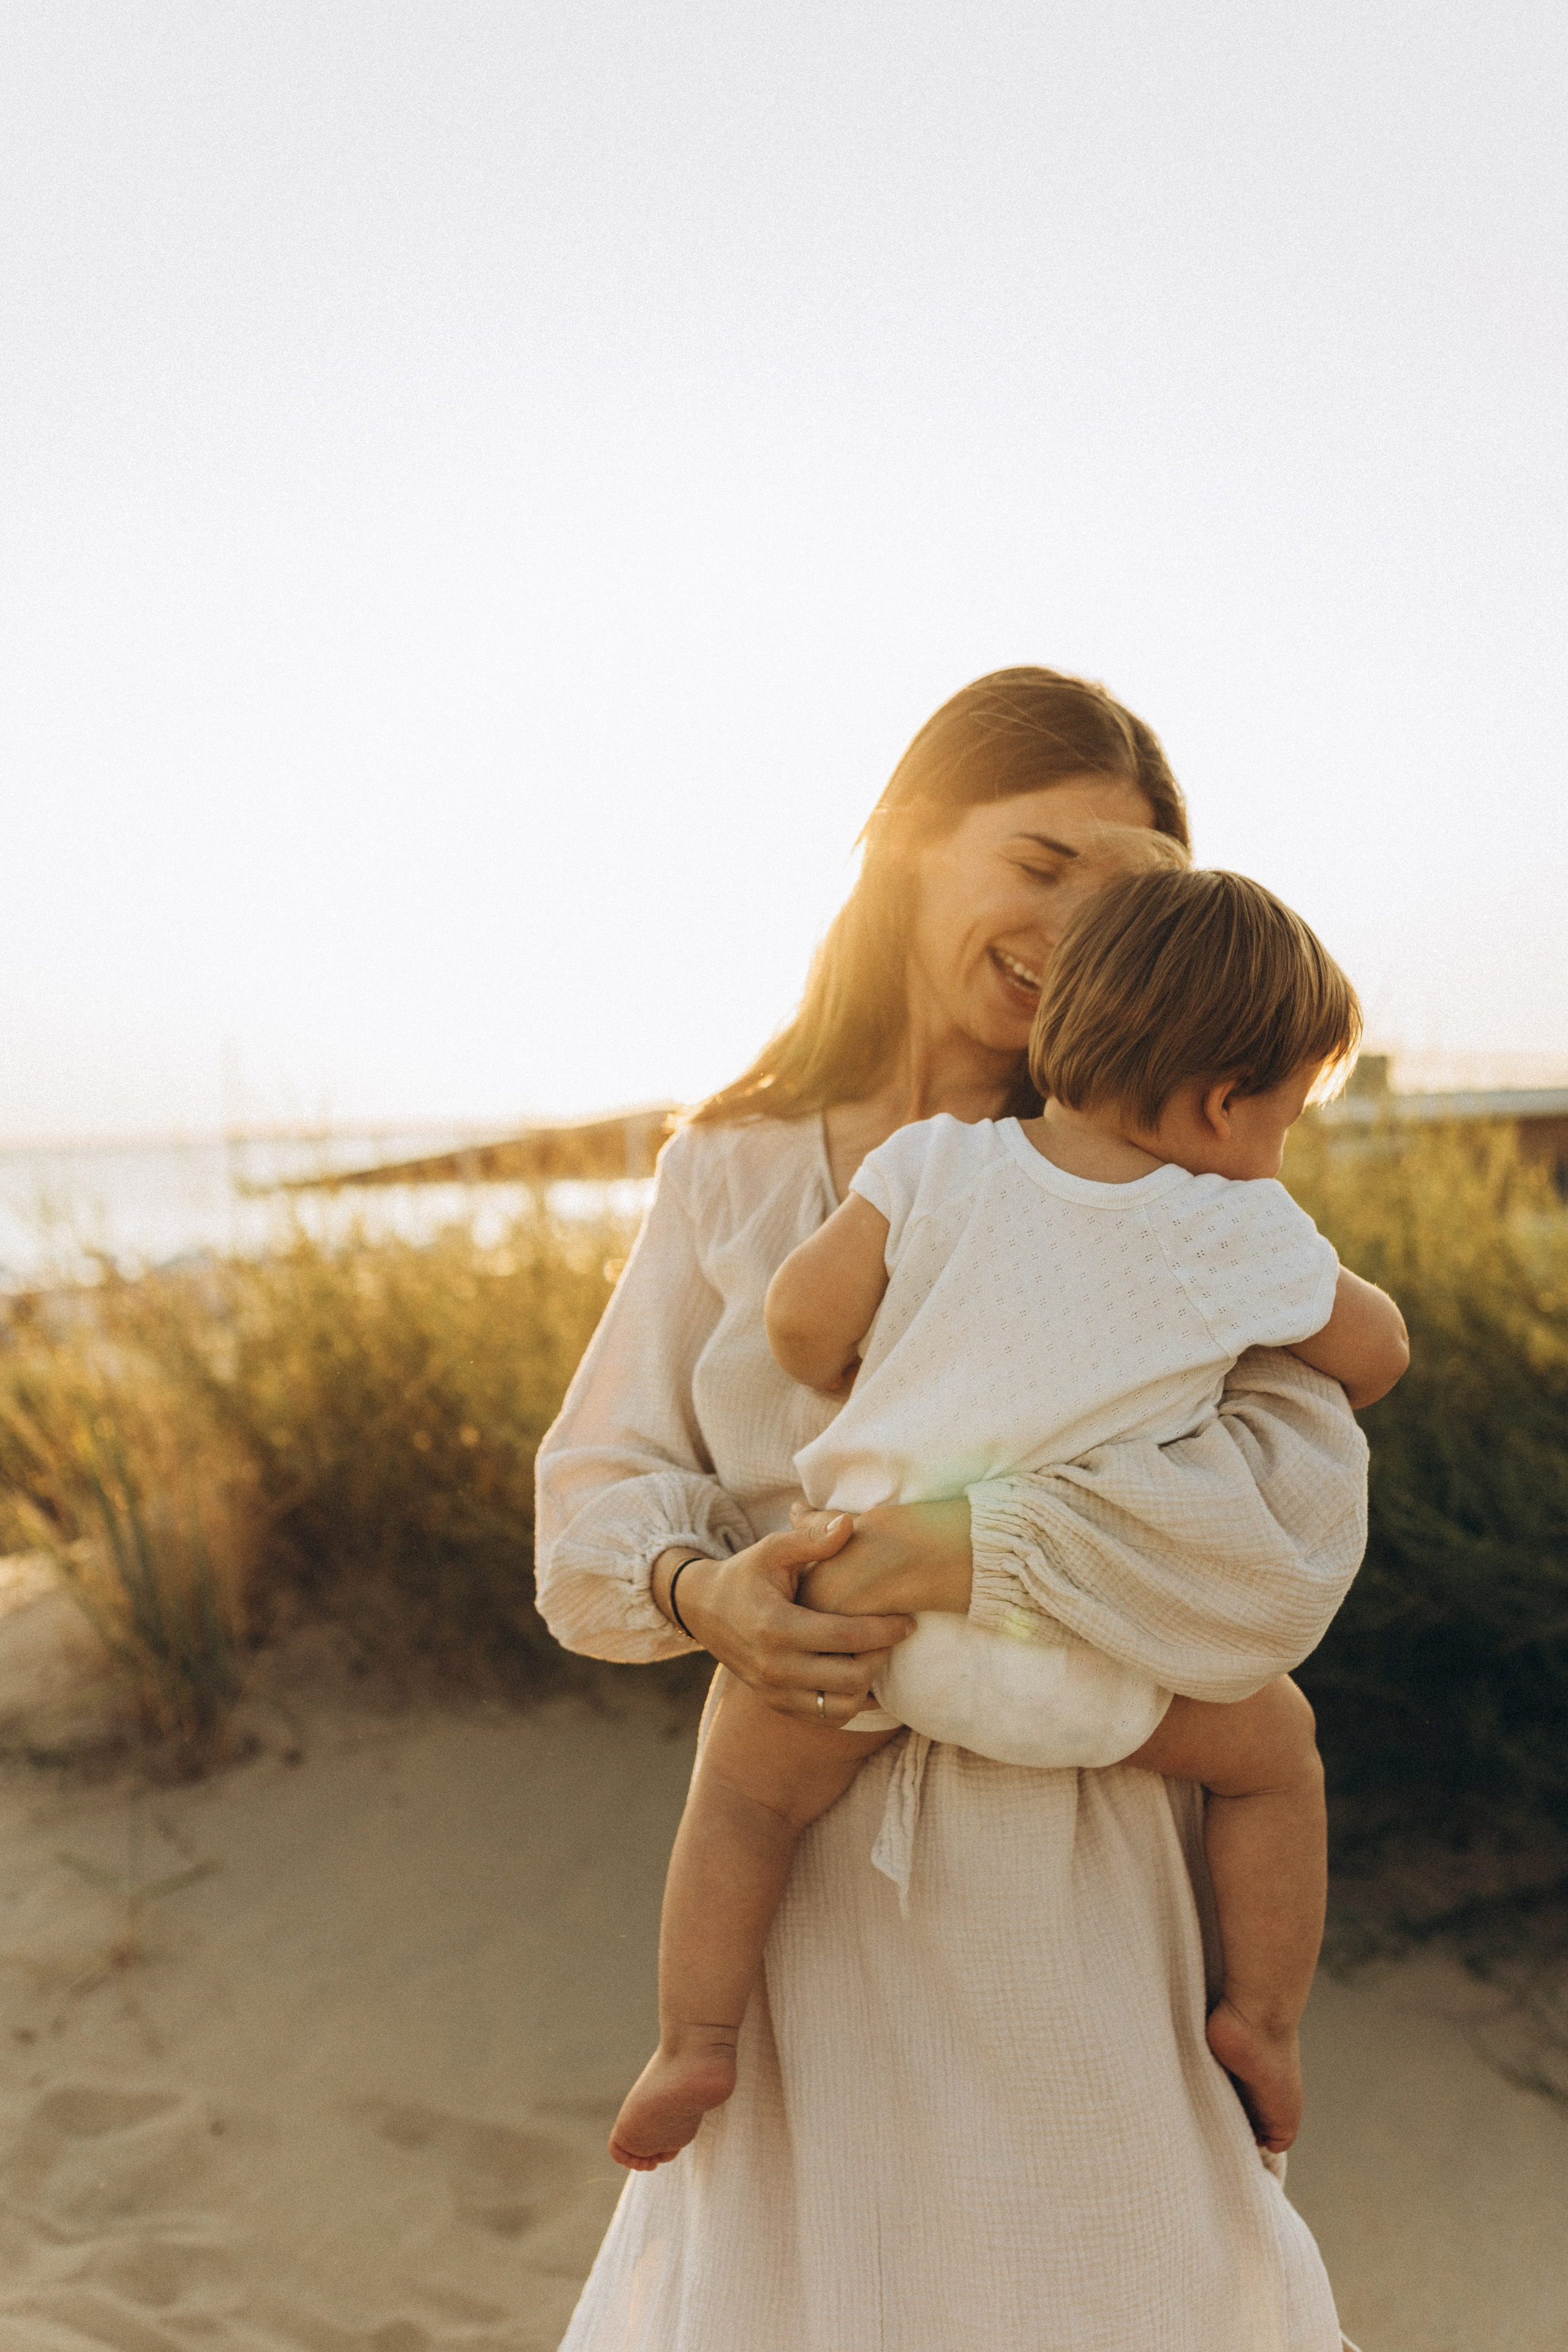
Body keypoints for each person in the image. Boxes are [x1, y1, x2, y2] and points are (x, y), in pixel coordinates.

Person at [537, 668, 1371, 2351]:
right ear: (908, 854)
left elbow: (1282, 1538)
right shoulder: (733, 1168)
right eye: (1040, 863)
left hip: (1089, 1852)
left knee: (1112, 2283)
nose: (1073, 924)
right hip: (810, 1867)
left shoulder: (1182, 1189)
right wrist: (715, 1596)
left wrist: (971, 1557)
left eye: (1125, 893)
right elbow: (594, 1505)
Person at [608, 866, 1409, 2177]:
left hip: (866, 1617)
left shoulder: (929, 1162)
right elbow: (1372, 1354)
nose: (1284, 1141)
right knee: (1272, 1760)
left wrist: (858, 1358)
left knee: (745, 1792)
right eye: (1291, 1110)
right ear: (1222, 1102)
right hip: (1085, 1652)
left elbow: (800, 1324)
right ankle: (1261, 2023)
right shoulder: (1235, 1223)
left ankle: (692, 2039)